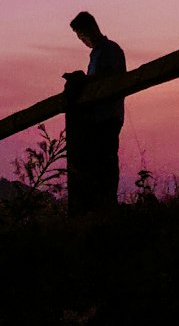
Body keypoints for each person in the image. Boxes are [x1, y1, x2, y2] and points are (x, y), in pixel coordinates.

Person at [63, 11, 126, 212]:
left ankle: (107, 206)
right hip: (96, 119)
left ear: (90, 29)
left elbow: (107, 78)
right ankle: (99, 207)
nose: (82, 40)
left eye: (81, 35)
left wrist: (83, 81)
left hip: (108, 116)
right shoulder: (97, 54)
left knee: (106, 161)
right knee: (97, 163)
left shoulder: (110, 50)